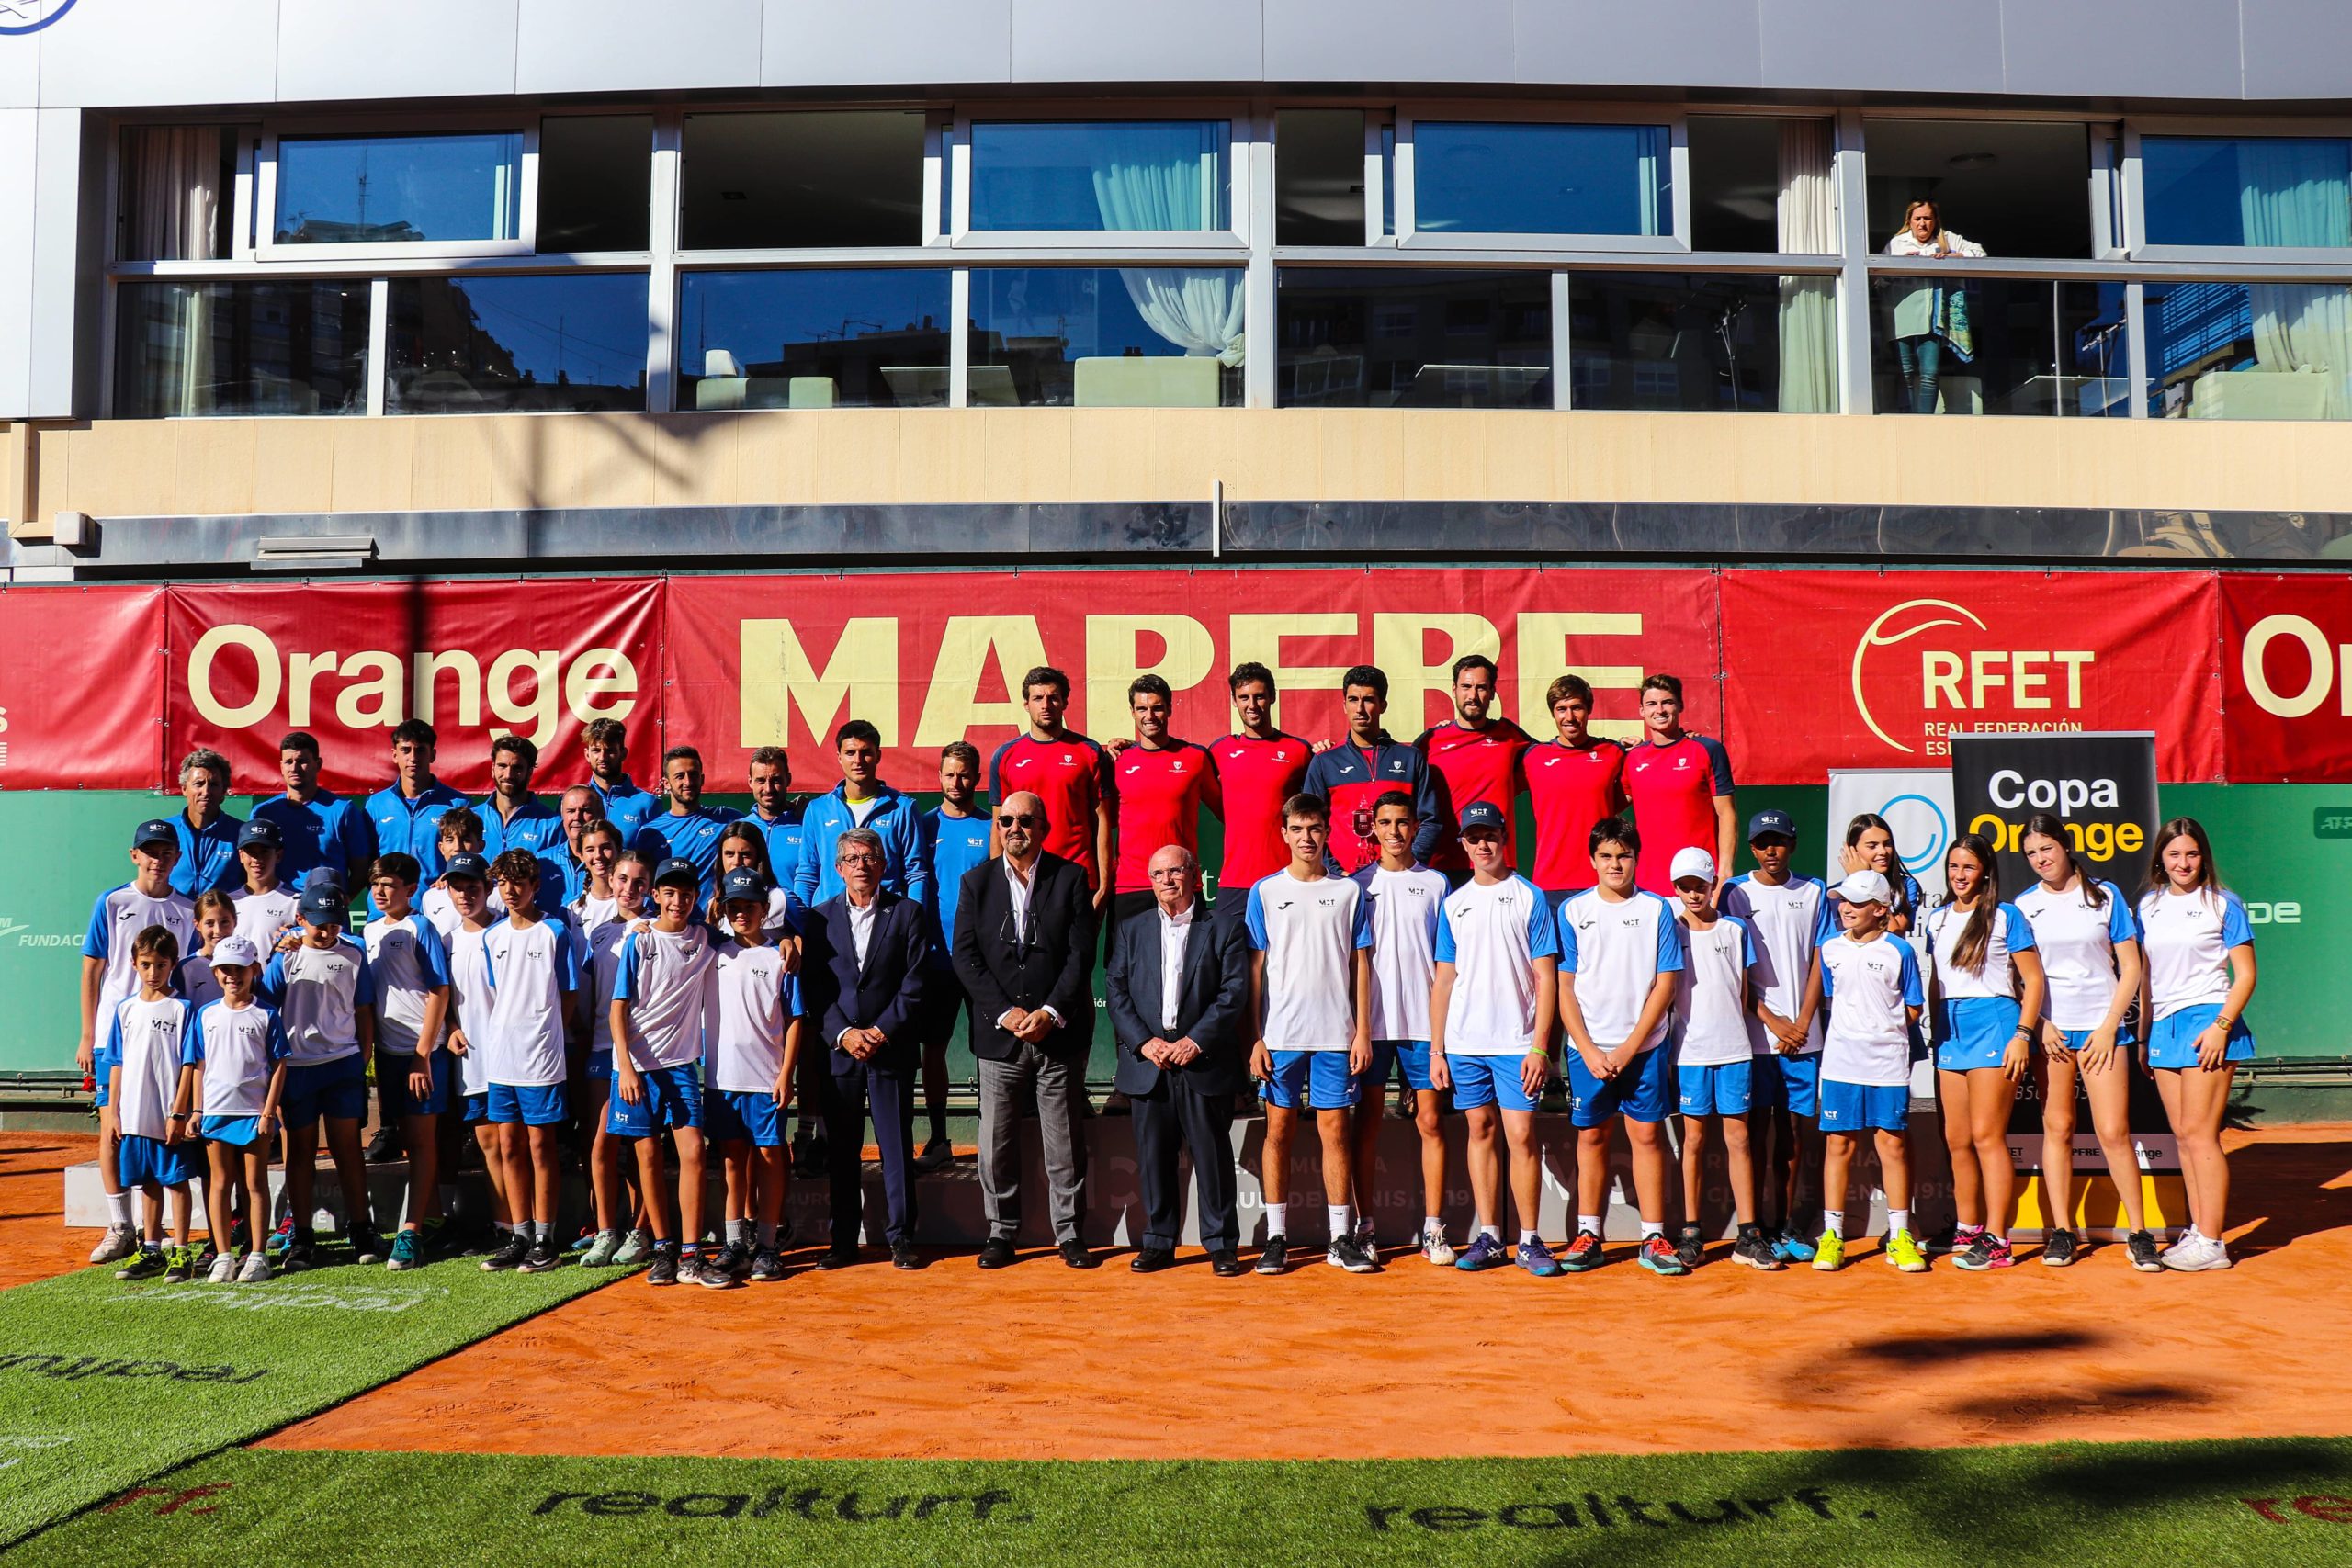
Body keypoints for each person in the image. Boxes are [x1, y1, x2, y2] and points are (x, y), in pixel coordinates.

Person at [955, 791, 1099, 1269]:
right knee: (995, 1144)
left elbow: (1080, 956)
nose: (1015, 828)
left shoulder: (1072, 878)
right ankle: (1001, 1233)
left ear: (1043, 828)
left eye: (1026, 821)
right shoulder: (975, 882)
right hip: (1000, 1037)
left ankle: (1070, 1234)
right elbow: (966, 956)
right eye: (1007, 821)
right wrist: (1006, 1013)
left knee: (1064, 1144)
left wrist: (1051, 1011)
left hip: (1055, 1035)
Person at [2015, 812, 2156, 1271]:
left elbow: (2131, 967)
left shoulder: (2105, 895)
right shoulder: (2023, 906)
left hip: (2104, 1032)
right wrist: (2039, 1024)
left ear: (2065, 845)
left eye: (2047, 849)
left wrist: (2108, 1024)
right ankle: (2062, 1231)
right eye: (2032, 853)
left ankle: (2140, 1233)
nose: (2041, 859)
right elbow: (2021, 977)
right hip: (2052, 1033)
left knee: (2113, 1132)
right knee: (2056, 1129)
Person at [1246, 792, 1379, 1276]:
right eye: (1297, 829)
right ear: (1284, 833)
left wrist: (1361, 1031)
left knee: (1335, 1132)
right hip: (1280, 1037)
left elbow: (1360, 963)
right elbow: (1255, 971)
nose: (1306, 837)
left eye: (1315, 828)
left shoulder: (1348, 893)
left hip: (1334, 1037)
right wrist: (1256, 1038)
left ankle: (1340, 1238)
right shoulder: (1264, 892)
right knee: (1277, 1131)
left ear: (1327, 832)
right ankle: (1276, 1238)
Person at [1106, 845, 1251, 1277]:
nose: (1167, 880)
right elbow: (1116, 991)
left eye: (1175, 871)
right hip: (1149, 1062)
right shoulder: (1130, 930)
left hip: (1201, 1061)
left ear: (1194, 874)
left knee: (1212, 1157)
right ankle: (1159, 1241)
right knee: (1153, 1158)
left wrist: (1194, 1041)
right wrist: (1143, 1043)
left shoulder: (1224, 928)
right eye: (1158, 874)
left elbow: (1233, 993)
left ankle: (1221, 1244)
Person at [1430, 801, 1561, 1275]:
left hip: (1516, 1044)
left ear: (1505, 839)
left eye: (1490, 836)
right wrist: (1438, 1049)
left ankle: (1529, 1240)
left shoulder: (1529, 897)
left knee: (1522, 1135)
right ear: (1463, 844)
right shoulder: (1453, 903)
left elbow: (1546, 978)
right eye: (1473, 837)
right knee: (1479, 1132)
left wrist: (1540, 1046)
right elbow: (1444, 980)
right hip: (1465, 1044)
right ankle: (1489, 1236)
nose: (1482, 844)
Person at [1555, 816, 1686, 1276]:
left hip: (1644, 1048)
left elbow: (1666, 982)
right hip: (1587, 1049)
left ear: (1636, 859)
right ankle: (1589, 1233)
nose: (1616, 864)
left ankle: (1653, 1236)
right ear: (1592, 860)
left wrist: (1631, 1046)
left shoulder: (1657, 911)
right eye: (1607, 856)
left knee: (1647, 1136)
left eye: (1624, 856)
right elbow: (1565, 987)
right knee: (1591, 1136)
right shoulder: (1572, 911)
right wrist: (1589, 1049)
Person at [804, 829, 930, 1270]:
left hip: (889, 1049)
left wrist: (880, 1031)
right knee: (842, 1150)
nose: (861, 864)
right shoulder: (817, 920)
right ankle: (842, 1242)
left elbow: (916, 983)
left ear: (882, 864)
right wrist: (844, 1034)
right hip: (841, 1053)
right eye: (853, 858)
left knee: (896, 1147)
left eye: (870, 856)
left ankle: (900, 1238)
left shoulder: (909, 913)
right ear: (838, 869)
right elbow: (816, 988)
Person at [1921, 833, 2046, 1272]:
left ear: (1986, 872)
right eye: (1954, 867)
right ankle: (1969, 1227)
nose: (1960, 875)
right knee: (1956, 1139)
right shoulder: (1936, 919)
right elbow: (1938, 981)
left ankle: (1998, 1241)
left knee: (1987, 1137)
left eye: (1969, 867)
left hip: (1996, 1022)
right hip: (1951, 1030)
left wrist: (2023, 1035)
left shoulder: (2006, 916)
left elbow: (2033, 981)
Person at [2137, 817, 2256, 1273]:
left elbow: (2245, 973)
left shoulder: (2223, 903)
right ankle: (2198, 1231)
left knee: (2202, 1135)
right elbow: (2147, 978)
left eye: (2191, 854)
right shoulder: (2148, 906)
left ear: (2202, 857)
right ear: (2161, 860)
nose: (2183, 863)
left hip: (2209, 1018)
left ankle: (2212, 1240)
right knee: (2183, 1136)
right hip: (2164, 1026)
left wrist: (2222, 1026)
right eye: (2174, 854)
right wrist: (2146, 1034)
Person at [80, 818, 197, 1265]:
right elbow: (93, 968)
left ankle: (155, 1232)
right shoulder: (111, 901)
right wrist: (89, 1033)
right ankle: (120, 1227)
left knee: (156, 1130)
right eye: (150, 850)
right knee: (112, 1130)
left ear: (176, 857)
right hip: (115, 1032)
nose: (158, 858)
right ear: (135, 855)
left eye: (166, 850)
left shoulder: (185, 909)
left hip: (162, 1041)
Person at [1722, 808, 1835, 1264]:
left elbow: (1818, 961)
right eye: (1762, 842)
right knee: (1753, 1130)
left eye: (1779, 841)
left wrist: (1803, 1022)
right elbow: (1733, 969)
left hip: (1803, 1035)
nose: (1771, 850)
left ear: (1792, 844)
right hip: (1752, 1035)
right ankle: (1757, 1230)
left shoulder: (1814, 891)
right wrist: (1770, 1020)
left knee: (1791, 1133)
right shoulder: (1734, 892)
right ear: (1751, 848)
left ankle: (1788, 1226)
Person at [260, 881, 385, 1270]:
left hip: (343, 1064)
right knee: (300, 1152)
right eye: (317, 923)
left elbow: (364, 1009)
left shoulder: (354, 952)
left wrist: (361, 1057)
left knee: (348, 1148)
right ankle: (303, 1235)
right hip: (297, 1069)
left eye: (333, 923)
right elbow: (264, 1011)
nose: (326, 930)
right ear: (300, 920)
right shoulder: (284, 958)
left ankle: (361, 1228)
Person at [1352, 790, 1453, 1265]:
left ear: (1416, 828)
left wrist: (1440, 1038)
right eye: (1385, 822)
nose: (1394, 832)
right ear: (1372, 827)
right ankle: (1365, 1227)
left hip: (1422, 1029)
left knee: (1430, 1123)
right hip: (1370, 1029)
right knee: (1366, 1125)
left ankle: (1434, 1229)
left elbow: (1447, 962)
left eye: (1402, 822)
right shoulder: (1354, 886)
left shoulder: (1436, 884)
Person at [608, 857, 718, 1287]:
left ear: (696, 897)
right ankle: (664, 1249)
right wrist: (627, 1067)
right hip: (635, 1069)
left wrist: (786, 941)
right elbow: (618, 1008)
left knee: (693, 1152)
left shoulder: (707, 940)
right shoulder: (638, 941)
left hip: (681, 1067)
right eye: (669, 892)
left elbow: (750, 937)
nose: (678, 900)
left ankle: (691, 1254)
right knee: (647, 1157)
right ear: (656, 896)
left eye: (687, 893)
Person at [1813, 869, 1929, 1274]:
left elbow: (1914, 1006)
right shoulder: (1829, 949)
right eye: (1843, 901)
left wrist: (1882, 1029)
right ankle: (1832, 1237)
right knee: (1838, 1146)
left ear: (1880, 910)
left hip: (1888, 1064)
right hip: (1841, 1062)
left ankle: (1899, 1235)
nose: (1846, 908)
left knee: (1891, 1145)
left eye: (1858, 903)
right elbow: (1832, 999)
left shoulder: (1900, 951)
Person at [1668, 848, 1779, 1271]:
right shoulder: (1670, 929)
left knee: (1739, 1140)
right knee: (1693, 1142)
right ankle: (1691, 1232)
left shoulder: (1735, 929)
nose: (1693, 894)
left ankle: (1748, 1235)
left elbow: (1745, 990)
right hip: (1690, 1053)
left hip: (1735, 1050)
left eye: (1700, 885)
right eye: (1684, 887)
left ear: (1713, 885)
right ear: (1675, 889)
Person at [699, 867, 806, 1288]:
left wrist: (786, 1074)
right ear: (722, 910)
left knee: (769, 1156)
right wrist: (710, 914)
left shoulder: (780, 957)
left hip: (766, 1079)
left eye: (749, 907)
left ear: (765, 909)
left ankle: (767, 1244)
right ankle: (734, 1241)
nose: (741, 914)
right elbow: (684, 927)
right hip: (722, 1079)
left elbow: (795, 1019)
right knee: (731, 1160)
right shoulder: (712, 952)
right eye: (733, 907)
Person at [175, 933, 288, 1284]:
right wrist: (196, 1111)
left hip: (253, 1115)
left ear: (254, 970)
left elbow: (279, 1064)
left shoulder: (267, 1014)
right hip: (215, 1114)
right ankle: (223, 1256)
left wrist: (269, 1113)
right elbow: (197, 1064)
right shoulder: (206, 1014)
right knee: (219, 1184)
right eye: (224, 969)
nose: (231, 976)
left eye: (239, 969)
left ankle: (257, 1256)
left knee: (254, 1185)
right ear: (215, 972)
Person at [363, 852, 453, 1268]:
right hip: (388, 1054)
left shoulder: (420, 927)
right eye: (376, 883)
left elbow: (439, 990)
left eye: (390, 884)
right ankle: (432, 1217)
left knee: (421, 1143)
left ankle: (410, 1231)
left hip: (423, 1055)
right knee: (409, 1143)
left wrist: (422, 1056)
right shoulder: (368, 931)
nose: (381, 891)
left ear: (411, 890)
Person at [573, 842, 651, 1269]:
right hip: (602, 1050)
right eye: (623, 879)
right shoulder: (599, 933)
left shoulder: (658, 930)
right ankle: (607, 1231)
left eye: (640, 881)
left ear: (651, 887)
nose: (629, 888)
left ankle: (641, 1231)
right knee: (600, 1144)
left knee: (639, 1144)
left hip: (642, 1057)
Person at [105, 926, 198, 1282]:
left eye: (161, 965)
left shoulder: (182, 1008)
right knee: (147, 1183)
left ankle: (182, 1252)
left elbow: (189, 1063)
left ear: (173, 964)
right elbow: (117, 1062)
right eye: (146, 965)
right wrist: (114, 1112)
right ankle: (153, 1248)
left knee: (175, 1182)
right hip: (133, 1116)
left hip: (166, 1115)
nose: (153, 973)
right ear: (133, 964)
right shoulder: (125, 1009)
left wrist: (179, 1112)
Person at [915, 741, 992, 1169]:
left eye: (965, 774)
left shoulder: (992, 826)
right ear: (939, 777)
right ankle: (941, 1137)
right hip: (934, 957)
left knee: (991, 1052)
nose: (957, 782)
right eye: (950, 774)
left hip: (982, 961)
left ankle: (992, 1137)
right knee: (934, 1050)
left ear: (977, 777)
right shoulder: (923, 827)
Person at [989, 666, 1114, 910]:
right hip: (1022, 877)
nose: (1045, 705)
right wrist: (998, 883)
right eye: (1037, 698)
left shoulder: (1089, 752)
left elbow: (1102, 822)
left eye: (1053, 697)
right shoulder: (1006, 756)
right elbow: (997, 826)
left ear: (1065, 702)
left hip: (1077, 875)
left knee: (1076, 950)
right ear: (1026, 704)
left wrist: (1103, 886)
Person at [434, 852, 509, 1250]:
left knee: (507, 1145)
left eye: (473, 886)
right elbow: (442, 997)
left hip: (510, 1060)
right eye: (457, 886)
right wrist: (450, 1027)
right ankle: (503, 1225)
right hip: (470, 1060)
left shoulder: (505, 932)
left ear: (489, 888)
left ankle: (516, 1226)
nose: (465, 894)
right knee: (487, 1145)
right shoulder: (445, 941)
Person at [1303, 665, 1440, 877]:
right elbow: (1310, 823)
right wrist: (1334, 871)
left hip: (1398, 878)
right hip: (1341, 881)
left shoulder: (1410, 758)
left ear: (1382, 705)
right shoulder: (1325, 761)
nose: (1359, 709)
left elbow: (1429, 820)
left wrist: (1410, 865)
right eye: (1353, 700)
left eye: (1368, 700)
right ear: (1344, 705)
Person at [1207, 662, 1315, 932]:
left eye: (1259, 696)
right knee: (1234, 970)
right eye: (1244, 697)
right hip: (1235, 881)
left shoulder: (1298, 751)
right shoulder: (1220, 751)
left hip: (1286, 876)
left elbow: (1315, 811)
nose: (1252, 705)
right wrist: (1124, 746)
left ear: (1272, 697)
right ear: (1234, 701)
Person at [1417, 654, 1532, 886]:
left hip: (1498, 864)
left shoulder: (1510, 736)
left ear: (1492, 692)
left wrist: (1622, 749)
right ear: (1454, 689)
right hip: (1444, 866)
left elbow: (1558, 756)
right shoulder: (1430, 742)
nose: (1473, 696)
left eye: (1481, 688)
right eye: (1466, 687)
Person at [1620, 674, 1736, 899]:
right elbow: (1612, 802)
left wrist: (1724, 873)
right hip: (1649, 886)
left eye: (1667, 702)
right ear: (1642, 711)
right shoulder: (1633, 758)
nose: (1660, 710)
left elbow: (1727, 814)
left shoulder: (1707, 750)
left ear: (1680, 705)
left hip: (1700, 884)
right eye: (1652, 704)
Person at [1524, 673, 1627, 912]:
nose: (1569, 717)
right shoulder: (1533, 757)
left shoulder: (1613, 753)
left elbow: (1649, 767)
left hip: (1603, 881)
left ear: (1589, 709)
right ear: (1553, 713)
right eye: (1561, 709)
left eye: (1576, 708)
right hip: (1550, 885)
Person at [1884, 197, 1986, 415]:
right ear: (1909, 221)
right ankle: (1907, 420)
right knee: (1906, 373)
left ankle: (1924, 421)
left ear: (1935, 220)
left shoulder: (1947, 239)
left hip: (1932, 317)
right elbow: (1879, 279)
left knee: (1929, 373)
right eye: (1918, 218)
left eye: (1927, 218)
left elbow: (1980, 254)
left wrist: (1953, 256)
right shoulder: (1898, 243)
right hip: (1901, 313)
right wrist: (1902, 264)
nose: (1922, 223)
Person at [252, 730, 374, 891]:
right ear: (281, 766)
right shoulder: (263, 813)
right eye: (288, 762)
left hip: (326, 912)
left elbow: (361, 870)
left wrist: (340, 903)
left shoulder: (343, 810)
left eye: (302, 761)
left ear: (318, 764)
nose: (294, 768)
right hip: (279, 911)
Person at [365, 720, 470, 887]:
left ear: (432, 755)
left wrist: (450, 877)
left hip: (435, 906)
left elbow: (471, 857)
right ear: (394, 755)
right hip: (385, 909)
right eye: (406, 750)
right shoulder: (376, 805)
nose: (413, 757)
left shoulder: (457, 804)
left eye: (420, 750)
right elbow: (363, 861)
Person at [633, 745, 738, 901]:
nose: (688, 782)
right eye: (680, 776)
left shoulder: (726, 818)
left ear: (702, 779)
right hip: (672, 920)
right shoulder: (650, 832)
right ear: (666, 783)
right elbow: (643, 884)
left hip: (714, 921)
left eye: (693, 775)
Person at [477, 736, 567, 914]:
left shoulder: (551, 824)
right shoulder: (472, 817)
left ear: (529, 772)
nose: (508, 775)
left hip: (528, 924)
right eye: (502, 766)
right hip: (479, 923)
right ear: (492, 768)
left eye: (517, 768)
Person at [167, 748, 243, 897]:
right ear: (184, 789)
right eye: (198, 783)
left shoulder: (241, 834)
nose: (206, 791)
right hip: (174, 918)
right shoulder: (166, 831)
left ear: (224, 792)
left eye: (214, 784)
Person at [1836, 813, 1924, 934]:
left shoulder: (1905, 885)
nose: (1883, 851)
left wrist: (1864, 877)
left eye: (1887, 844)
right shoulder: (1836, 894)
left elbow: (1895, 932)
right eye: (1872, 846)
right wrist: (1860, 878)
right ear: (1852, 850)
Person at [582, 716, 661, 850]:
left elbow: (653, 858)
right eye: (596, 750)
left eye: (610, 751)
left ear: (623, 754)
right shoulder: (572, 802)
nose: (602, 757)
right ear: (587, 755)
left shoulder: (647, 803)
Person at [742, 745, 804, 913]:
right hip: (748, 926)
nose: (768, 789)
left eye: (776, 780)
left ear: (788, 779)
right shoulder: (739, 828)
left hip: (796, 927)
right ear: (750, 782)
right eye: (761, 780)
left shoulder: (808, 825)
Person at [229, 818, 301, 953]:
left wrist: (299, 939)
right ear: (241, 856)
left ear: (278, 855)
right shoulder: (228, 902)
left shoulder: (297, 901)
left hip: (279, 973)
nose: (257, 859)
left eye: (264, 851)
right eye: (251, 852)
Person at [174, 892, 241, 1010]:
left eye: (224, 922)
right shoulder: (185, 968)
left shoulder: (246, 964)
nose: (218, 931)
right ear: (197, 925)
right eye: (210, 923)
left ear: (235, 921)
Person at [554, 785, 605, 908]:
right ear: (562, 815)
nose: (577, 817)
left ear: (601, 815)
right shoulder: (544, 861)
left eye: (586, 811)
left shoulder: (617, 861)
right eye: (571, 811)